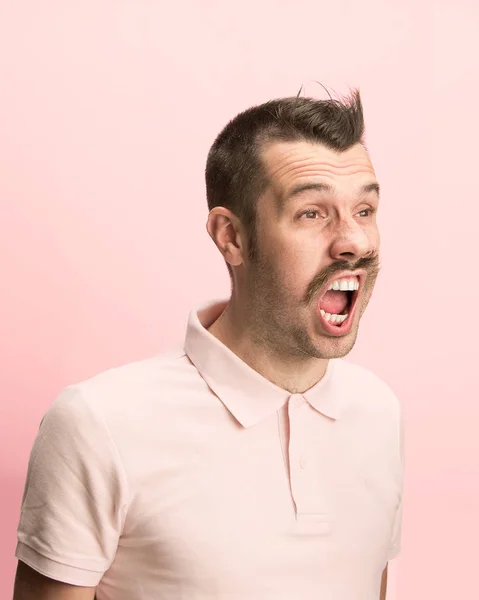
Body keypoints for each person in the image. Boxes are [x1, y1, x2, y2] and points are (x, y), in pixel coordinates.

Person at [13, 90, 404, 600]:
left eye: (365, 209)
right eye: (312, 213)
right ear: (232, 237)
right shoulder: (98, 423)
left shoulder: (378, 411)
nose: (355, 241)